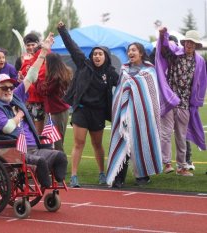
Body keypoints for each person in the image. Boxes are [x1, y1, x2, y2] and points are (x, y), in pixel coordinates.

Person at [0, 33, 67, 188]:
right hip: (11, 149)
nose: (9, 90)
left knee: (60, 156)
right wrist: (19, 116)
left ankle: (56, 181)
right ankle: (45, 185)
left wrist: (42, 52)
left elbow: (31, 76)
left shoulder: (16, 96)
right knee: (40, 161)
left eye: (10, 87)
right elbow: (8, 127)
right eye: (4, 87)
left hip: (33, 146)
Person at [57, 21, 119, 187]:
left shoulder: (110, 73)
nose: (97, 56)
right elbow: (72, 46)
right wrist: (62, 30)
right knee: (79, 143)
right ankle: (74, 176)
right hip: (81, 111)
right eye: (95, 54)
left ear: (106, 57)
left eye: (100, 54)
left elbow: (124, 84)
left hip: (98, 113)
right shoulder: (83, 65)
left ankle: (102, 173)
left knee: (97, 145)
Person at [106, 42, 163, 188]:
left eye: (134, 50)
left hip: (143, 115)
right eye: (129, 51)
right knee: (123, 139)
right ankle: (119, 177)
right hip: (124, 114)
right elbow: (120, 90)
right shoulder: (124, 69)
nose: (130, 53)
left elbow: (151, 95)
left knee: (142, 139)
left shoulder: (149, 70)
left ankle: (143, 175)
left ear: (141, 53)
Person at [155, 28, 207, 176]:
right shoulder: (176, 53)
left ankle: (182, 166)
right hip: (170, 99)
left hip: (185, 102)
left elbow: (202, 82)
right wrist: (162, 35)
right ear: (184, 42)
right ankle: (166, 164)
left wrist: (196, 101)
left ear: (196, 45)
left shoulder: (200, 61)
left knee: (181, 136)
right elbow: (164, 47)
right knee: (165, 133)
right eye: (187, 41)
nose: (189, 44)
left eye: (193, 42)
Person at [36, 53, 72, 151]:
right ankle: (55, 163)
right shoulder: (60, 74)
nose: (45, 64)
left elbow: (44, 91)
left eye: (46, 62)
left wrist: (37, 79)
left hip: (57, 112)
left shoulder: (55, 77)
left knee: (56, 142)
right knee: (51, 140)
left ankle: (60, 164)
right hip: (55, 111)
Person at [19, 33, 46, 134]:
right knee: (28, 132)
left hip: (39, 100)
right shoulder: (26, 61)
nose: (30, 47)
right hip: (28, 101)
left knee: (39, 133)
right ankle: (31, 150)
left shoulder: (43, 59)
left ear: (38, 45)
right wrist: (21, 79)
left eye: (33, 45)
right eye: (28, 45)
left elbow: (41, 78)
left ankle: (40, 150)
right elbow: (24, 80)